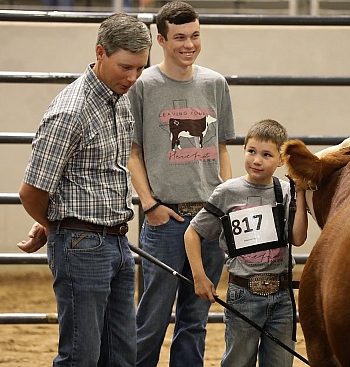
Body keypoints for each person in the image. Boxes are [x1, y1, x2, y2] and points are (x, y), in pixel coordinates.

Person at [15, 13, 152, 367]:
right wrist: (56, 224)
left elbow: (95, 176)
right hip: (82, 245)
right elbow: (31, 191)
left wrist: (55, 219)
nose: (133, 77)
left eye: (140, 68)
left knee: (121, 354)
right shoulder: (71, 111)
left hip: (117, 240)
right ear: (100, 53)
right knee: (81, 355)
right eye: (126, 67)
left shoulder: (118, 100)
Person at [127, 2, 236, 366]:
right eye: (179, 38)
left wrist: (227, 200)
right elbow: (133, 150)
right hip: (166, 219)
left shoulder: (215, 84)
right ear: (160, 39)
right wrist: (149, 205)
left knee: (196, 318)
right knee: (152, 316)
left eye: (194, 35)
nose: (189, 44)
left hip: (209, 218)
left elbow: (220, 146)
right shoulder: (142, 86)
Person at [184, 119, 308, 367]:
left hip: (282, 295)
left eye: (266, 154)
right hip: (243, 293)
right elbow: (192, 233)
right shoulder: (227, 191)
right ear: (243, 150)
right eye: (251, 151)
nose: (257, 160)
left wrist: (301, 193)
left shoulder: (285, 191)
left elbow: (297, 238)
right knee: (237, 362)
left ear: (281, 160)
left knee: (281, 362)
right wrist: (199, 276)